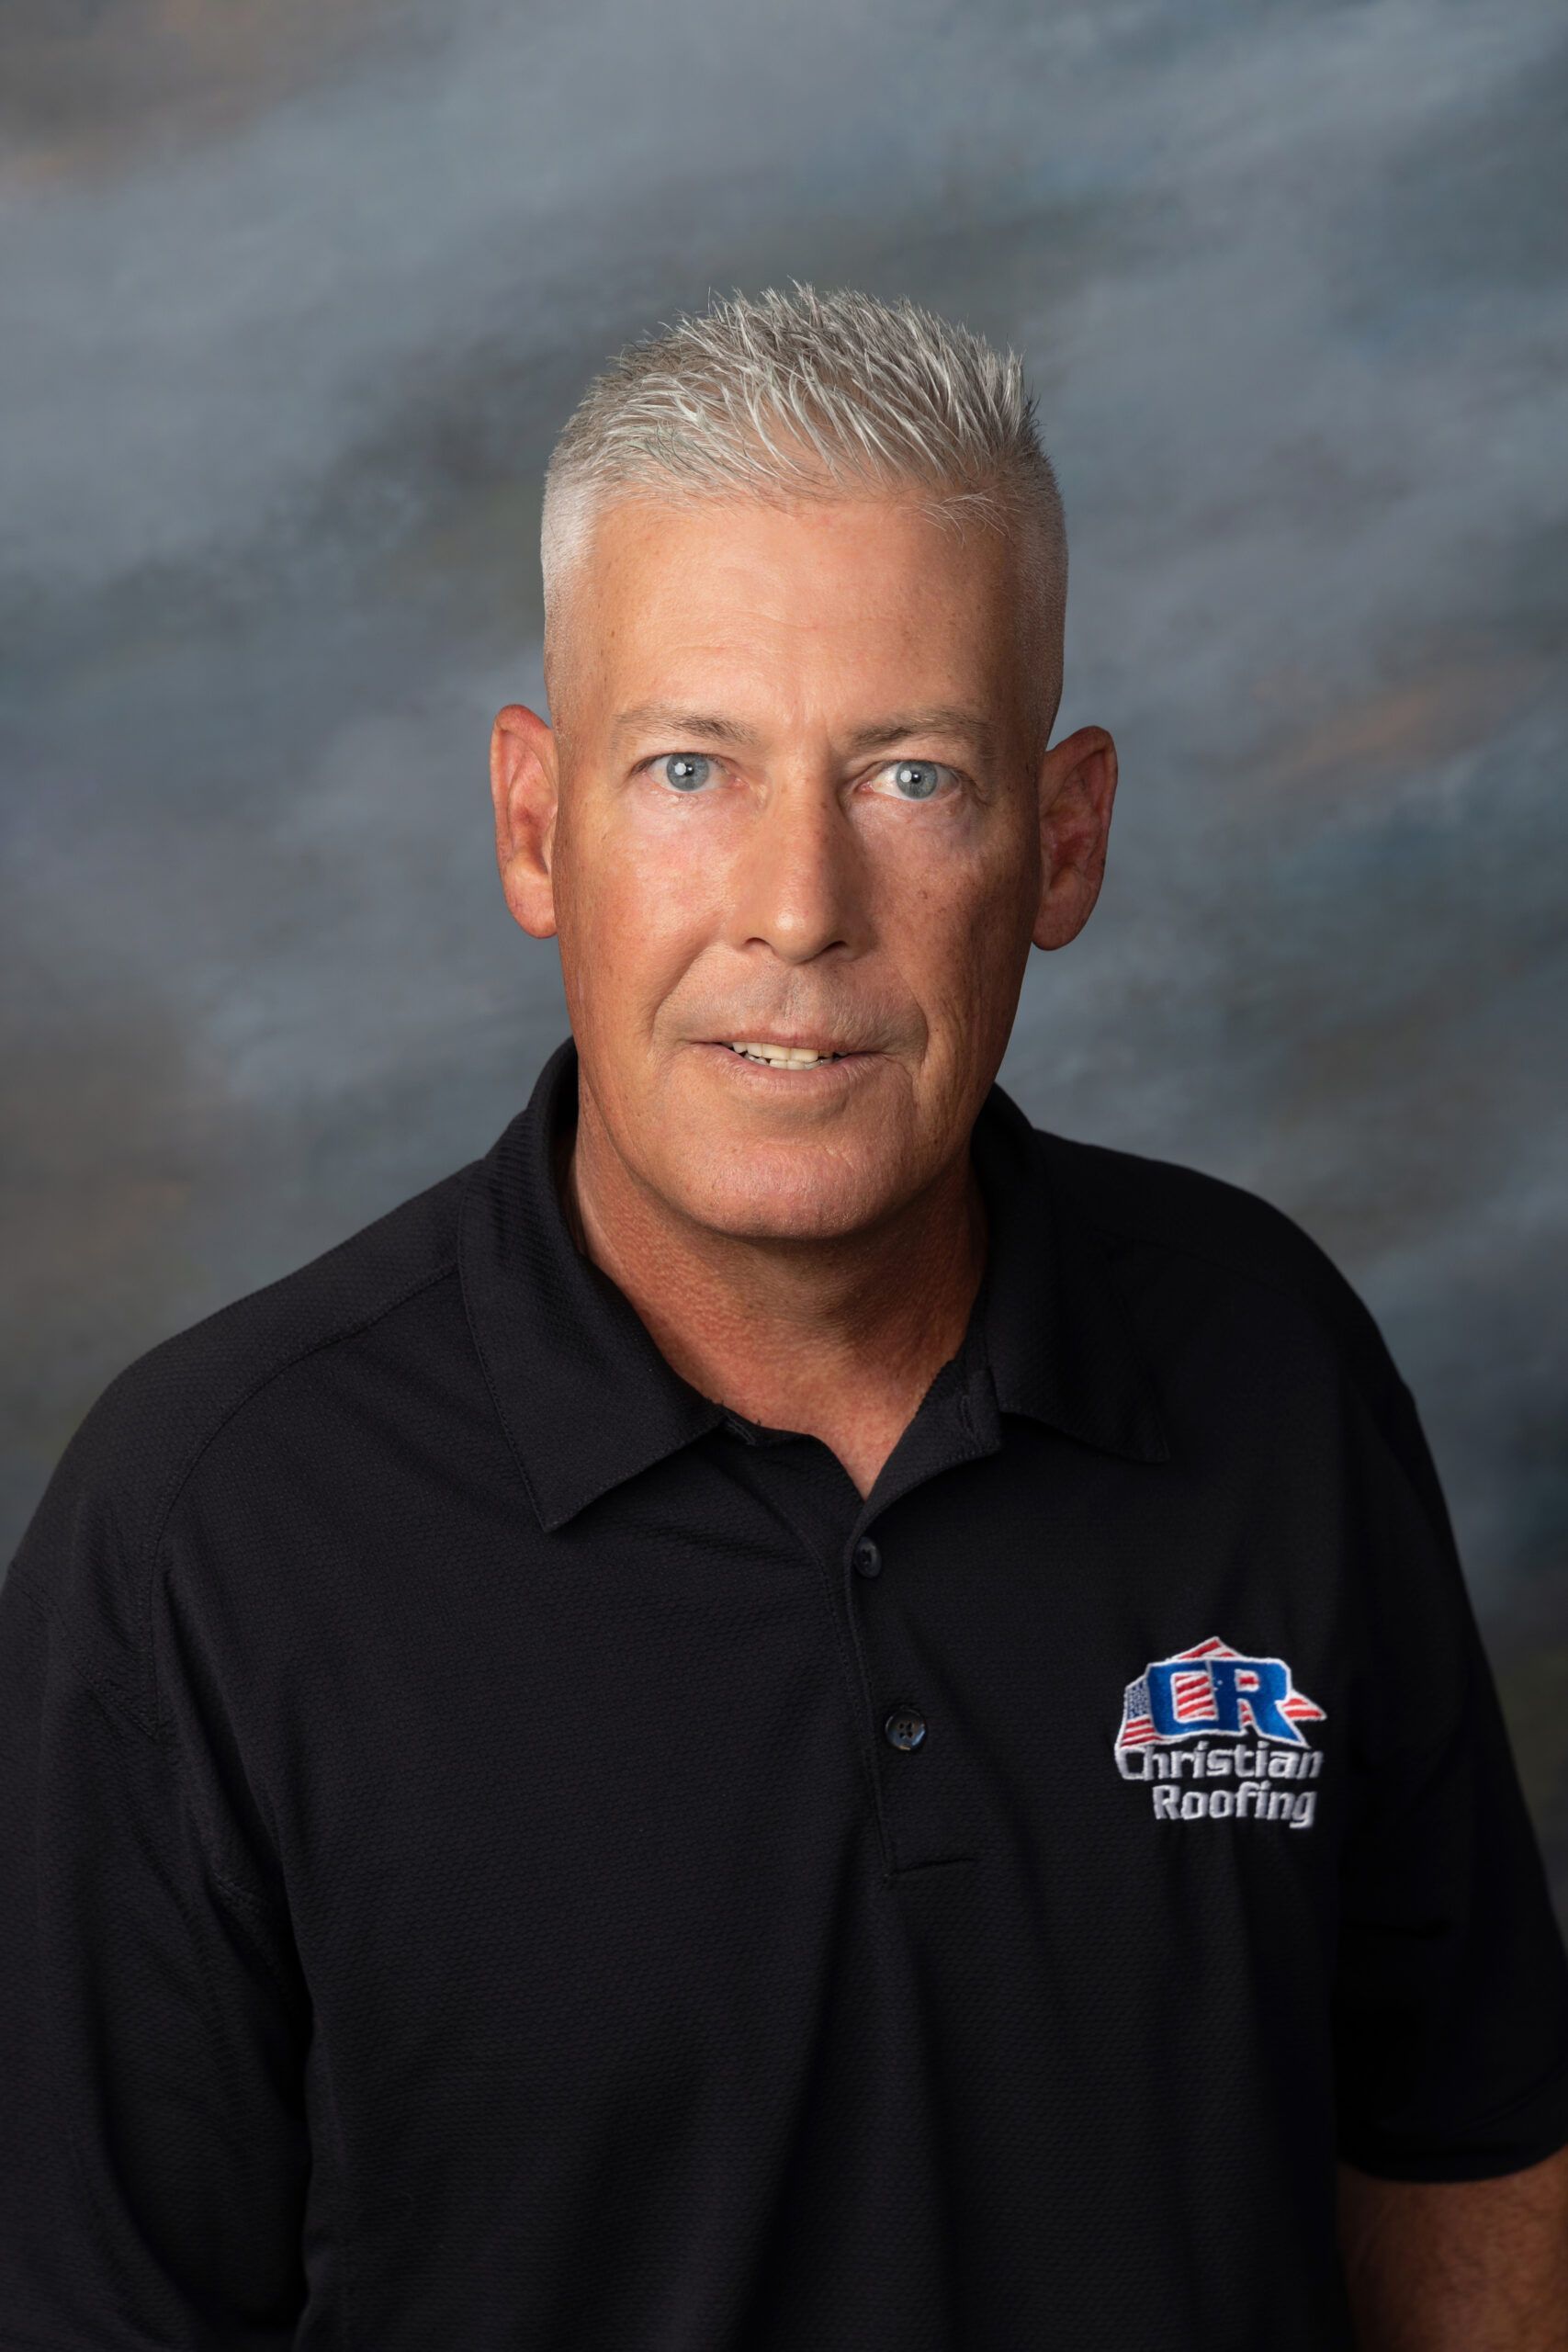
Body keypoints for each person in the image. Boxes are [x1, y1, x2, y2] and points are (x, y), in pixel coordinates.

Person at [2, 282, 1565, 2351]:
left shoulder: (1264, 1359)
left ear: (1062, 837)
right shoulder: (204, 1539)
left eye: (909, 775)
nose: (798, 904)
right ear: (535, 824)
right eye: (687, 769)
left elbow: (1458, 2141)